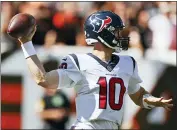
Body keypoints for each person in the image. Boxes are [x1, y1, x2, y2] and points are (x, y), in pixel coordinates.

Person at [16, 11, 173, 129]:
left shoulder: (128, 63)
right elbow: (43, 79)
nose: (120, 36)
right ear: (103, 33)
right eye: (116, 32)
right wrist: (26, 44)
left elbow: (137, 95)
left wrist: (150, 100)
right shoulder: (79, 62)